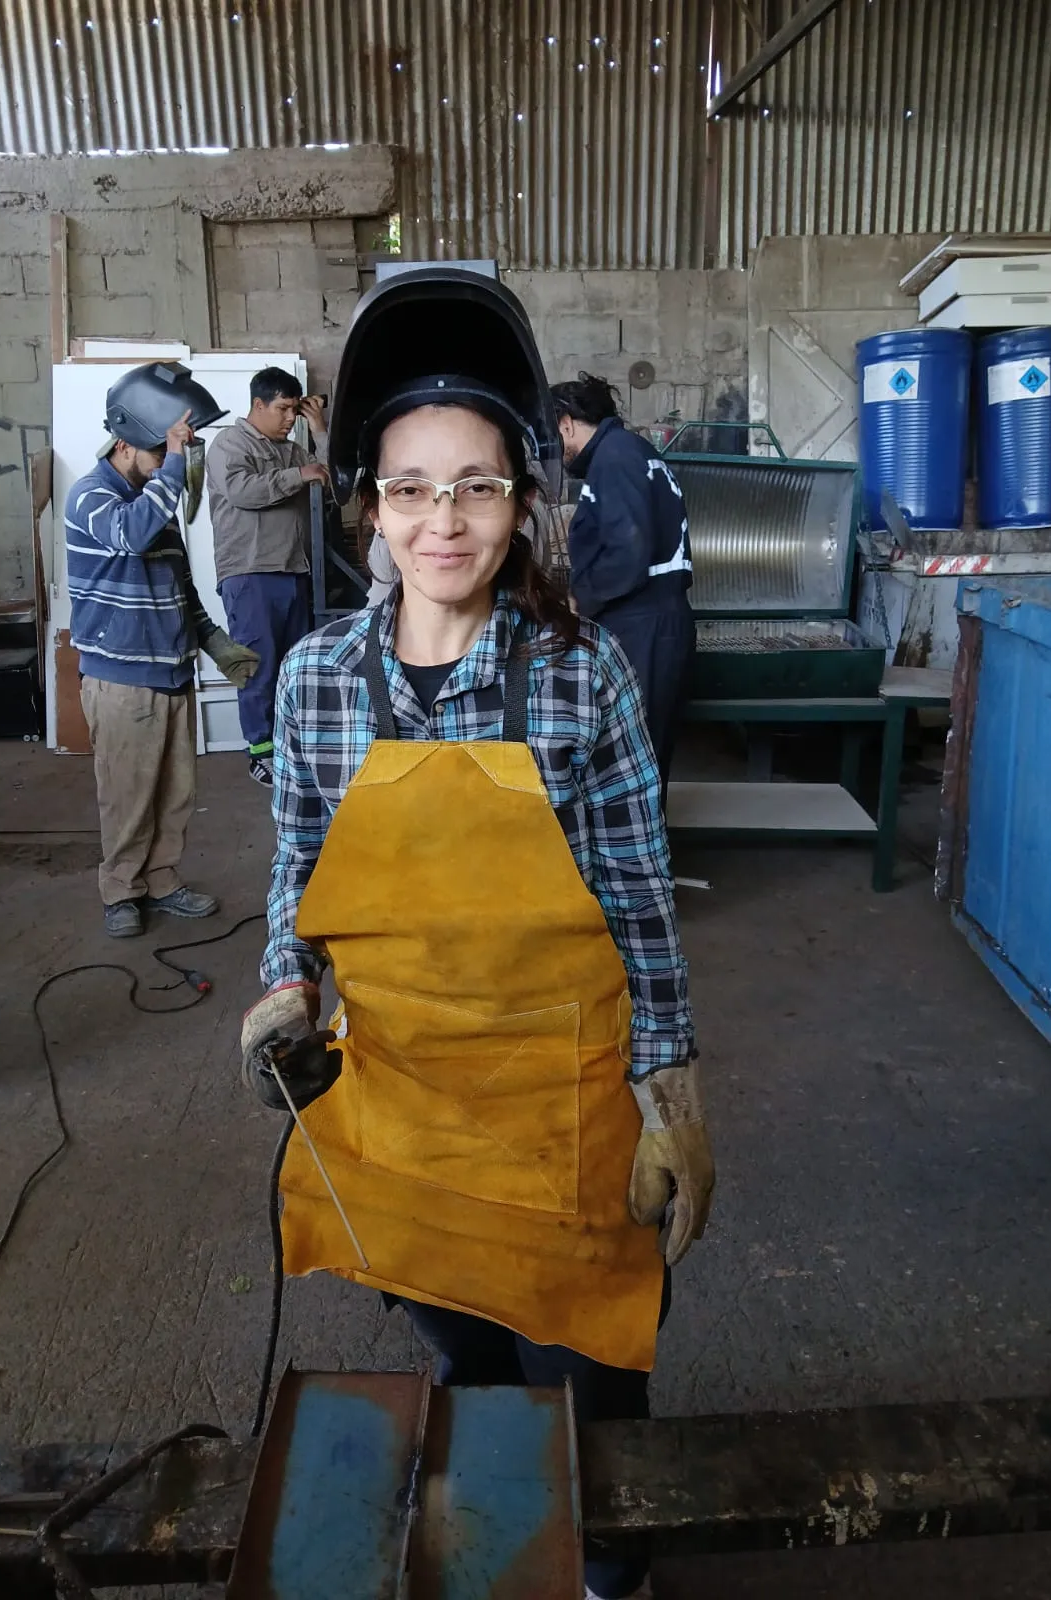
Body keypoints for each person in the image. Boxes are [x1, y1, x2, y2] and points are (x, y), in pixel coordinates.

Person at [239, 269, 715, 1600]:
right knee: (472, 1348)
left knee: (601, 1358)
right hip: (408, 1101)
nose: (442, 522)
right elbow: (298, 859)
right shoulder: (323, 679)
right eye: (409, 488)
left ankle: (614, 1550)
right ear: (367, 506)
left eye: (477, 486)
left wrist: (670, 1092)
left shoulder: (582, 673)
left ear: (522, 500)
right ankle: (504, 1517)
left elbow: (635, 893)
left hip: (565, 1100)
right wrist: (287, 982)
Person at [67, 362, 260, 938]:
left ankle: (162, 879)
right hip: (122, 679)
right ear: (126, 444)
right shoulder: (92, 498)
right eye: (161, 452)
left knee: (176, 793)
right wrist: (173, 464)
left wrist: (216, 644)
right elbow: (132, 535)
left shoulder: (156, 502)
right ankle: (121, 890)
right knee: (127, 794)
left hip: (170, 672)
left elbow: (182, 590)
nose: (172, 463)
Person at [550, 373, 696, 798]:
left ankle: (642, 860)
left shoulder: (615, 458)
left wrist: (577, 601)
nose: (555, 451)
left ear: (566, 423)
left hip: (644, 624)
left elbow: (628, 551)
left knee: (636, 757)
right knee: (642, 753)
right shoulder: (631, 453)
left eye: (551, 434)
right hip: (651, 619)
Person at [206, 367, 331, 786]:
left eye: (295, 411)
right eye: (282, 409)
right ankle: (260, 752)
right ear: (258, 404)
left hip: (295, 569)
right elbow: (243, 491)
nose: (289, 418)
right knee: (258, 666)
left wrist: (319, 430)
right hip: (251, 572)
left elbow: (331, 481)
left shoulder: (294, 450)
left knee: (295, 666)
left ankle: (291, 747)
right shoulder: (229, 445)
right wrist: (300, 474)